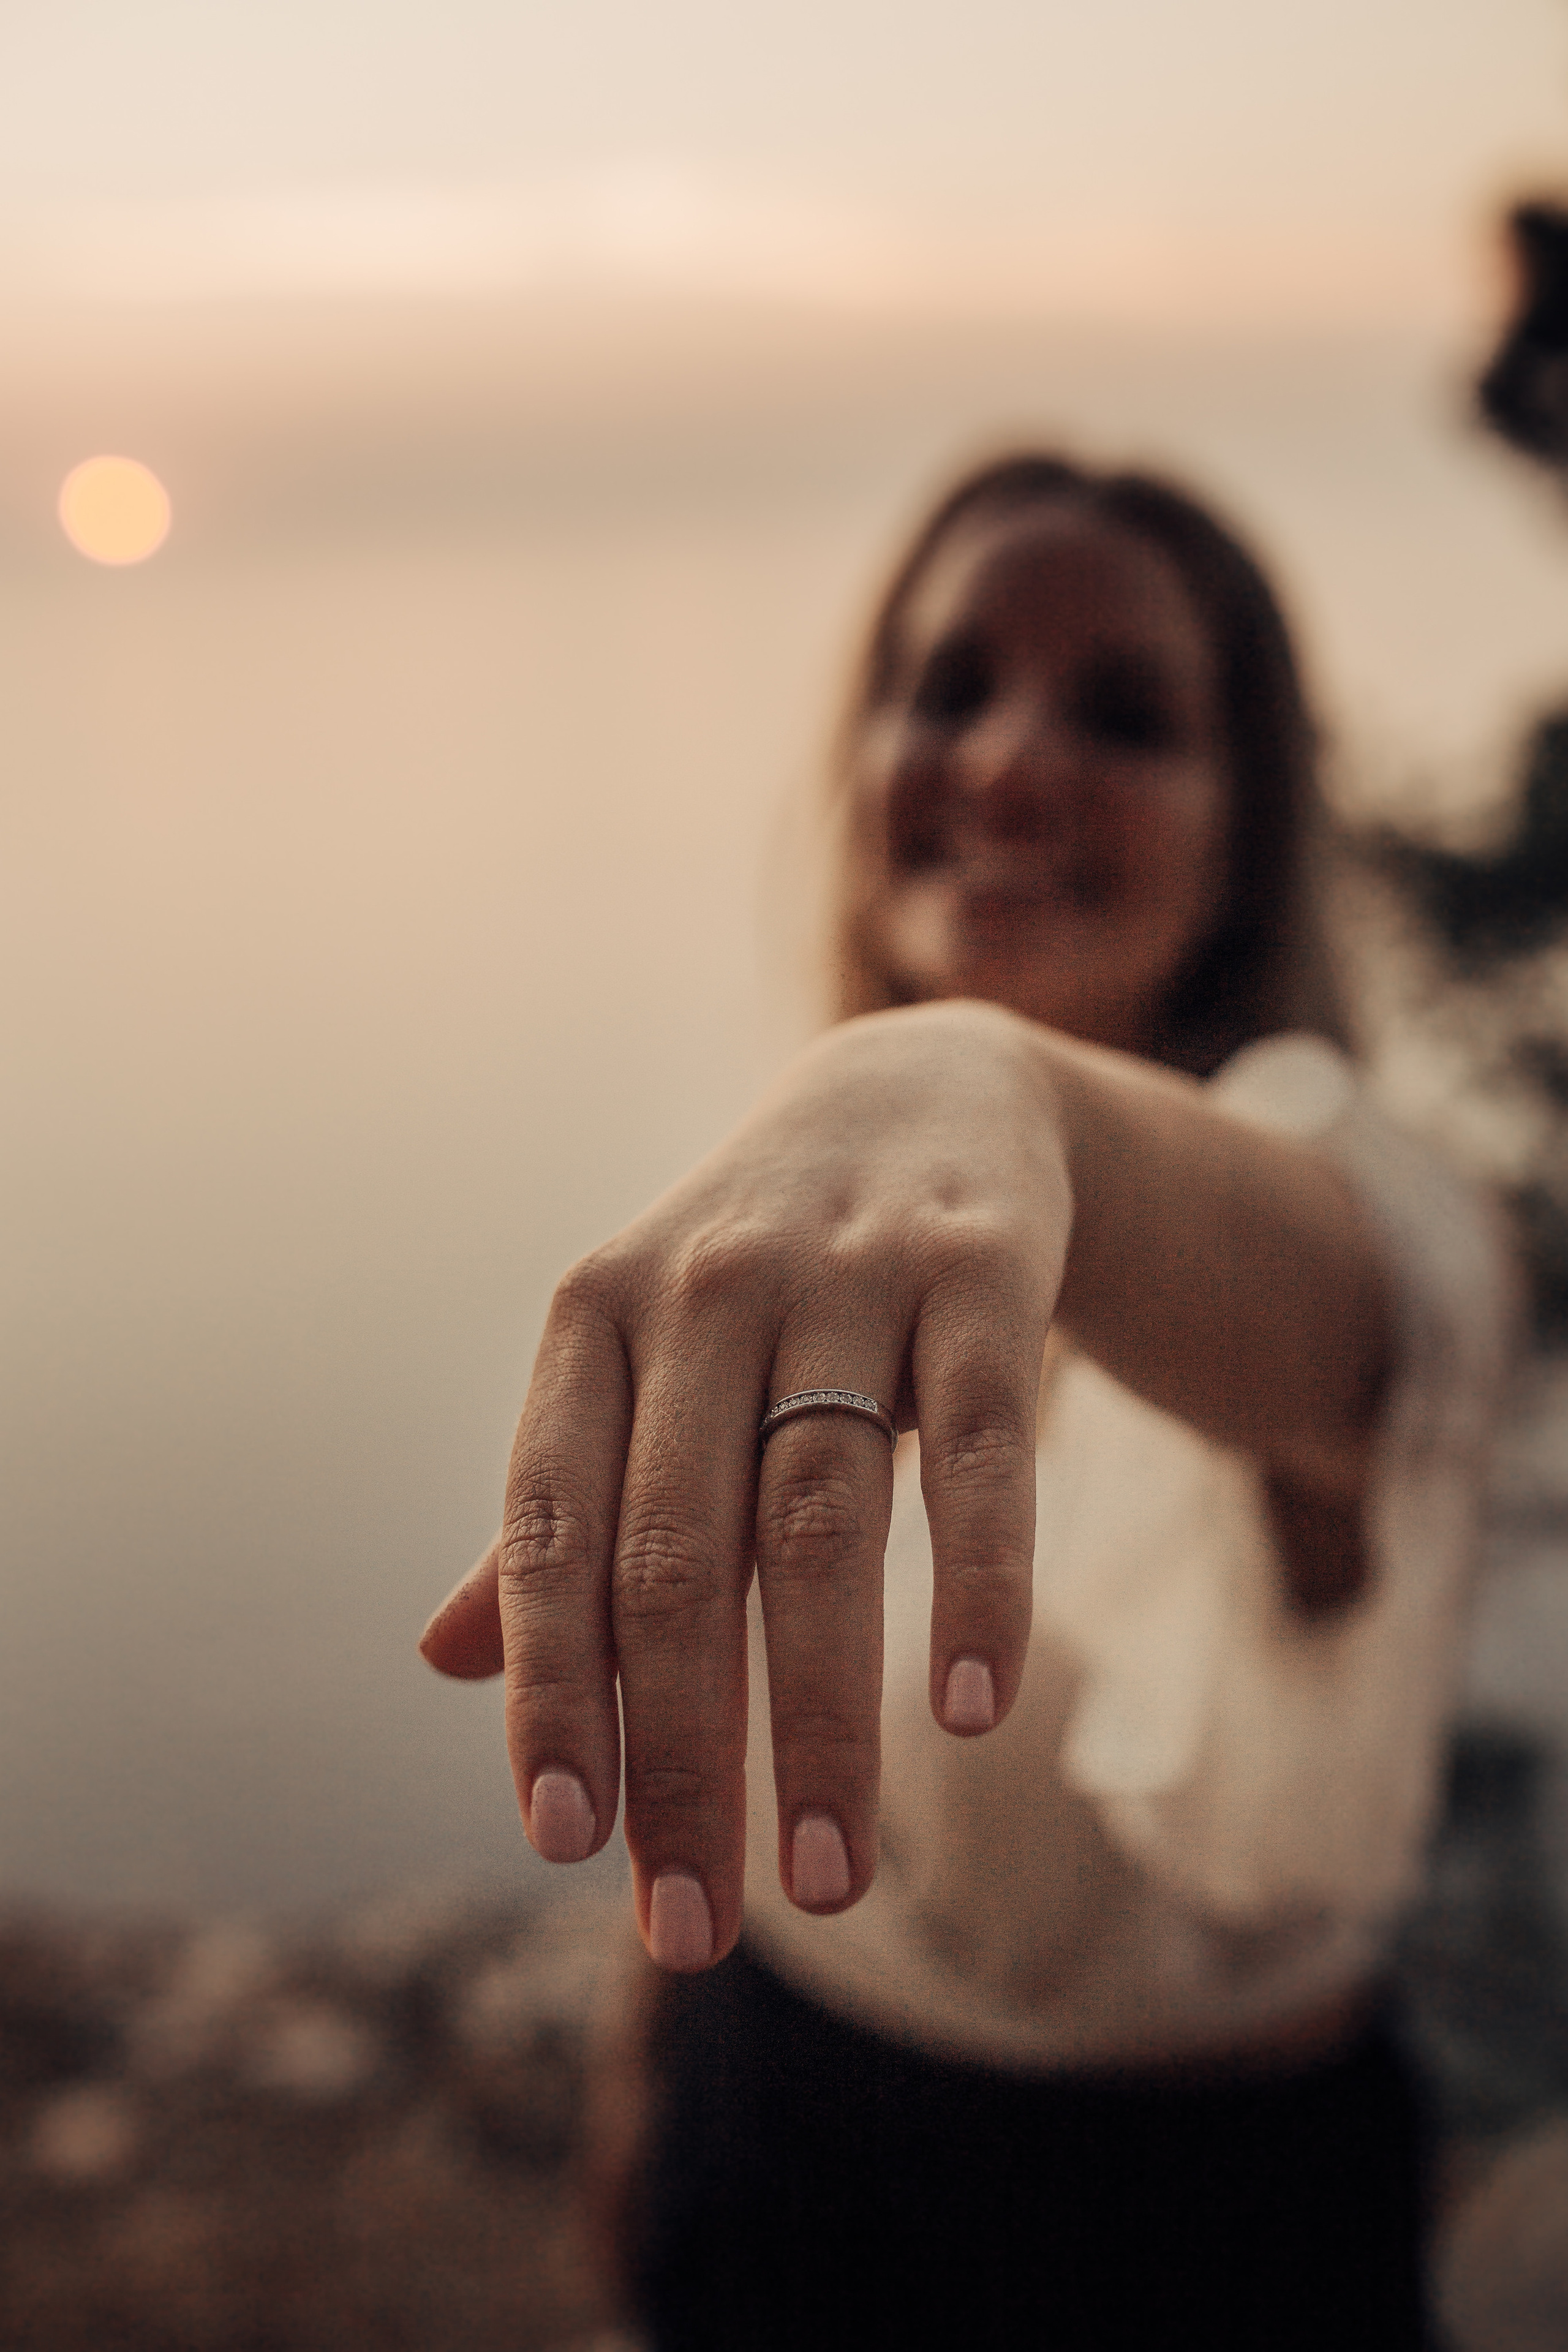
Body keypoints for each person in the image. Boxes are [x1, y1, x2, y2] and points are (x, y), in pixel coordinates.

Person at [420, 454, 1513, 2349]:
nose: (1008, 761)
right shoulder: (813, 1228)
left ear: (1249, 824)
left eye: (1128, 715)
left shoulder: (1364, 1213)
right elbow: (748, 1733)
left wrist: (988, 1079)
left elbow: (1349, 1322)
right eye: (947, 686)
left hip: (1194, 2223)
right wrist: (650, 2061)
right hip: (781, 2104)